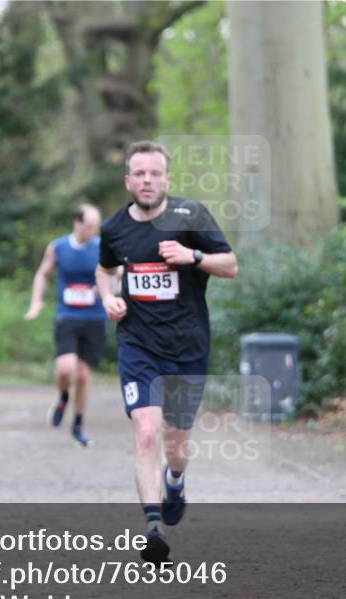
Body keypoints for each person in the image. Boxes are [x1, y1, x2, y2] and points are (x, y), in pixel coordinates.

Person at [95, 140, 238, 564]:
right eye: (139, 174)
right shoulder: (115, 228)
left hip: (187, 347)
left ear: (167, 179)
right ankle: (152, 527)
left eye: (154, 173)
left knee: (176, 445)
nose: (147, 181)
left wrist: (193, 255)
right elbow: (105, 270)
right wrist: (109, 298)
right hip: (138, 344)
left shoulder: (191, 216)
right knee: (145, 431)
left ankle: (175, 479)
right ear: (128, 181)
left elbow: (230, 265)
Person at [25, 204, 111, 447]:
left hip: (95, 318)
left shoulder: (103, 247)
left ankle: (78, 425)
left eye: (96, 227)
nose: (93, 231)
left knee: (83, 376)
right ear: (77, 222)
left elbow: (116, 274)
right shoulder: (58, 247)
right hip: (68, 315)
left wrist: (109, 293)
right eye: (89, 226)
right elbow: (42, 274)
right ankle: (63, 395)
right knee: (65, 369)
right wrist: (36, 302)